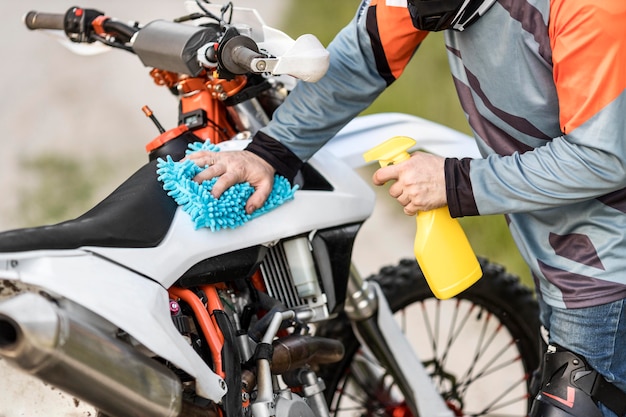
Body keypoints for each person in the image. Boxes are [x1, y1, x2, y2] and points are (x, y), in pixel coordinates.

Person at [186, 0, 626, 415]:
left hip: (606, 266)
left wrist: (455, 182)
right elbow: (360, 59)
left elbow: (606, 156)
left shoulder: (586, 8)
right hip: (561, 255)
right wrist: (269, 152)